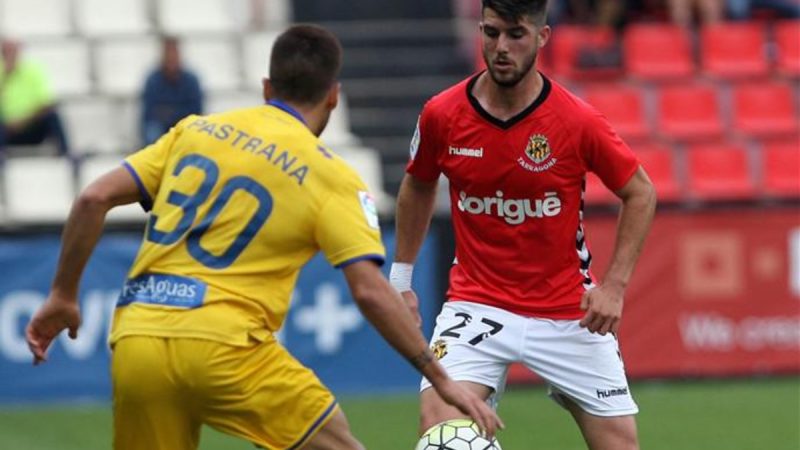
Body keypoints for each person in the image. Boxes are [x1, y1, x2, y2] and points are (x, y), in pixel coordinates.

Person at [25, 24, 502, 450]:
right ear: (333, 97)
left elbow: (93, 197)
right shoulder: (331, 176)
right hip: (227, 347)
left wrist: (63, 294)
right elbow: (368, 290)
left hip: (139, 336)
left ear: (267, 87)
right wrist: (440, 377)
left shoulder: (195, 131)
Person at [390, 1, 656, 449]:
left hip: (568, 311)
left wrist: (614, 287)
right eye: (491, 32)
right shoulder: (443, 113)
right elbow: (418, 183)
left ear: (542, 37)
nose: (501, 47)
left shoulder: (576, 120)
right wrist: (401, 279)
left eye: (516, 35)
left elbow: (641, 192)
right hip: (477, 304)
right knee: (440, 429)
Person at [0, 39, 69, 155]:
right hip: (5, 129)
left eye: (12, 51)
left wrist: (22, 121)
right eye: (6, 51)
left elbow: (46, 103)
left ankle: (66, 153)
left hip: (30, 127)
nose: (10, 55)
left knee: (52, 116)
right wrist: (6, 77)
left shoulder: (33, 71)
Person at [140, 36, 203, 146]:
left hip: (184, 124)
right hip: (160, 125)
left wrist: (170, 113)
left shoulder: (191, 80)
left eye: (174, 53)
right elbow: (149, 113)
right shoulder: (153, 79)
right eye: (168, 54)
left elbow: (196, 111)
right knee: (151, 132)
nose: (171, 57)